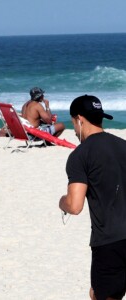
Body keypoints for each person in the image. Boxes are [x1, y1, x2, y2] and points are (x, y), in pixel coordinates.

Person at [59, 95, 126, 300]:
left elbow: (75, 205)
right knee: (96, 293)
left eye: (73, 123)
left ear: (79, 119)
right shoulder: (123, 145)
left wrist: (61, 202)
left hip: (110, 241)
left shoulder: (81, 155)